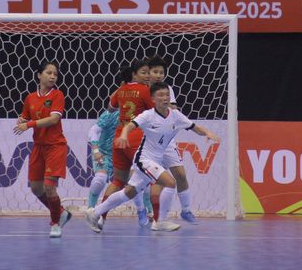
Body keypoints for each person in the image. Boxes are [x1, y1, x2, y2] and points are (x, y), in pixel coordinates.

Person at [86, 81, 221, 233]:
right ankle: (161, 221)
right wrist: (124, 135)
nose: (165, 98)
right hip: (144, 160)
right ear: (153, 99)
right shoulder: (148, 115)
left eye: (167, 95)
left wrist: (208, 133)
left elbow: (195, 127)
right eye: (160, 95)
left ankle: (95, 212)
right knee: (170, 182)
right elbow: (130, 125)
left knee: (128, 192)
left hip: (155, 160)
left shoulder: (175, 115)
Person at [13, 61, 73, 238]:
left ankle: (55, 223)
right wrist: (22, 121)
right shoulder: (30, 98)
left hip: (55, 146)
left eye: (55, 73)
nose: (53, 76)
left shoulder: (58, 95)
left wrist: (29, 124)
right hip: (38, 147)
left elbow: (54, 119)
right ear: (39, 75)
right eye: (49, 73)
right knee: (36, 188)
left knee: (49, 187)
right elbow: (24, 117)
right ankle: (61, 213)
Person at [97, 59, 154, 227]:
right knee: (151, 178)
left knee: (118, 181)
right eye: (143, 72)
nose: (148, 76)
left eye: (148, 72)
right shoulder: (145, 90)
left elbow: (110, 108)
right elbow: (156, 113)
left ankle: (100, 216)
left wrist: (123, 90)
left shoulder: (120, 90)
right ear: (134, 74)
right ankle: (154, 217)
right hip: (137, 139)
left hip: (119, 140)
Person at [146, 55, 198, 227]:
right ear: (148, 72)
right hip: (150, 143)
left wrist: (170, 107)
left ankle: (186, 210)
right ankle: (157, 217)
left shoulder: (167, 89)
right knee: (157, 182)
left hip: (168, 141)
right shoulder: (142, 90)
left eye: (161, 72)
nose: (159, 75)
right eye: (155, 71)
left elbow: (173, 109)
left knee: (181, 175)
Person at [87, 108, 120, 208]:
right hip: (104, 153)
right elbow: (93, 130)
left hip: (127, 154)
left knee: (141, 183)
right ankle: (91, 209)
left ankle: (147, 212)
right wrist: (96, 151)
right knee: (99, 180)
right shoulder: (111, 113)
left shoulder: (140, 113)